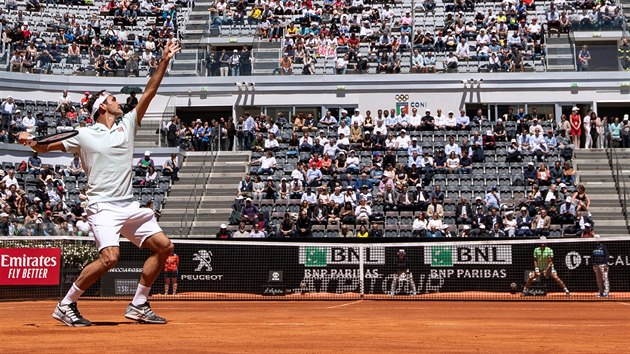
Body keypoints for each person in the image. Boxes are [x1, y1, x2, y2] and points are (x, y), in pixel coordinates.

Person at [19, 39, 181, 326]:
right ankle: (66, 304)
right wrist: (31, 142)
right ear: (102, 108)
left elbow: (150, 91)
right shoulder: (83, 134)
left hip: (128, 205)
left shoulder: (127, 125)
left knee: (164, 247)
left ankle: (139, 304)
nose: (118, 101)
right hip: (102, 206)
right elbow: (44, 148)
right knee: (110, 258)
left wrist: (165, 59)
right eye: (112, 99)